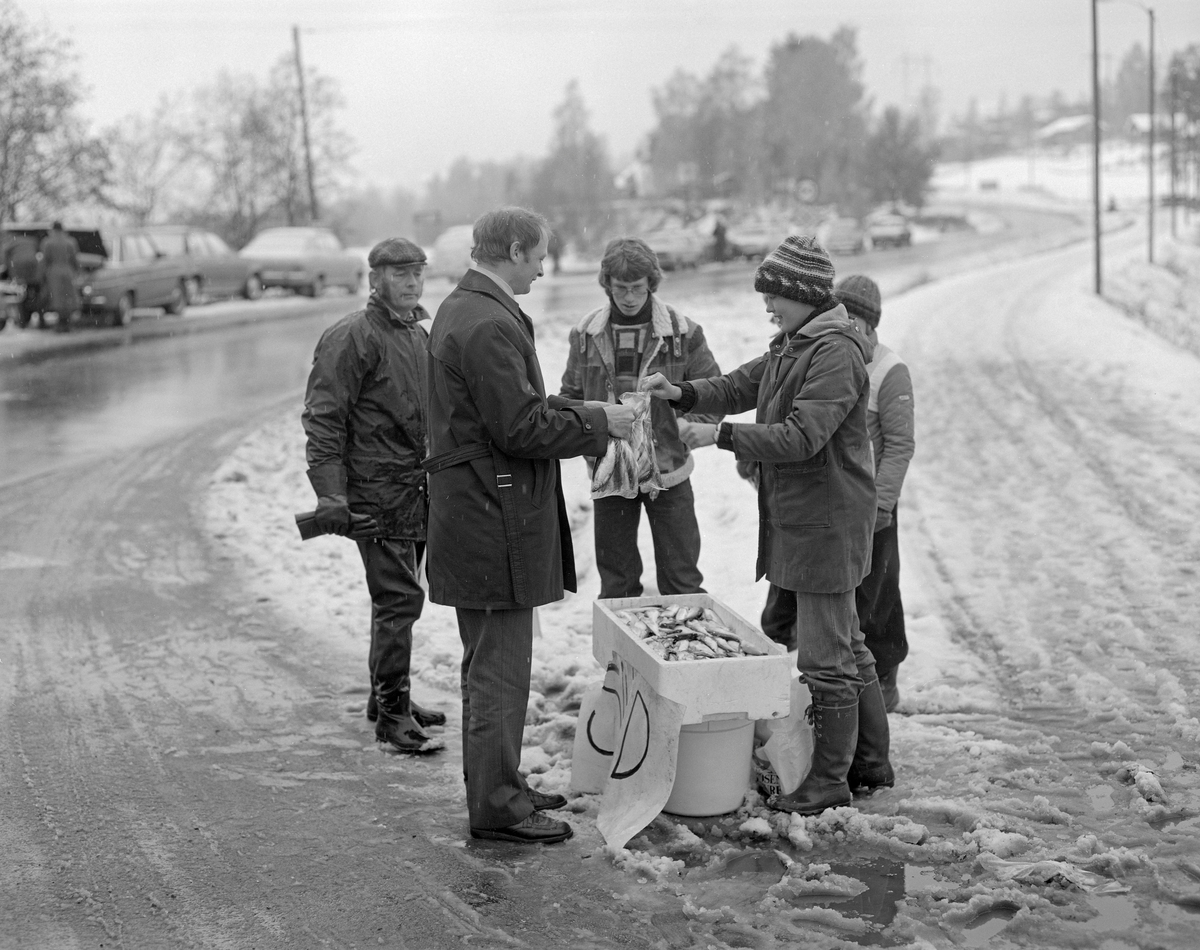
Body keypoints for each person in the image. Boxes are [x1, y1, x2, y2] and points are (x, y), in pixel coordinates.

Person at [641, 235, 892, 816]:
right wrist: (681, 393)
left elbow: (803, 436)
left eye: (773, 297)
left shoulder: (834, 352)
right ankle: (871, 763)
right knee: (848, 644)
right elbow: (736, 386)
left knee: (827, 657)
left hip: (826, 522)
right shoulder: (793, 344)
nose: (767, 309)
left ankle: (831, 780)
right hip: (807, 518)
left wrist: (722, 435)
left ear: (801, 295)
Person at [424, 206, 635, 845]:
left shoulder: (471, 309)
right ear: (513, 249)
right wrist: (600, 423)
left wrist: (582, 410)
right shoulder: (486, 321)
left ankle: (499, 785)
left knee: (489, 663)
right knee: (498, 669)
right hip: (491, 514)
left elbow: (514, 410)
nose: (544, 266)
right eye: (539, 254)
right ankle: (496, 807)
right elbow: (517, 428)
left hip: (480, 508)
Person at [301, 237, 447, 755]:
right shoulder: (351, 336)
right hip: (373, 495)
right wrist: (330, 495)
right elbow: (324, 418)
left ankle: (387, 699)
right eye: (399, 273)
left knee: (397, 599)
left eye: (417, 272)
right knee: (399, 600)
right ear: (374, 279)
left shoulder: (417, 333)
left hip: (414, 489)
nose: (411, 281)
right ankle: (391, 714)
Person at [559, 236, 722, 599]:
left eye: (637, 288)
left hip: (669, 471)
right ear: (607, 285)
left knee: (682, 580)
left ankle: (683, 653)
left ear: (652, 283)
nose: (629, 298)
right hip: (610, 470)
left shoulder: (683, 332)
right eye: (621, 289)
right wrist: (591, 440)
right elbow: (569, 398)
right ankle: (621, 656)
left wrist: (689, 427)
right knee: (616, 584)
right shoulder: (585, 334)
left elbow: (714, 395)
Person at [837, 275, 913, 716]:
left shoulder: (889, 370)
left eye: (852, 320)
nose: (844, 327)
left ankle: (884, 678)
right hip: (835, 498)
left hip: (874, 503)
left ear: (869, 324)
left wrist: (882, 503)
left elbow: (900, 444)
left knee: (879, 591)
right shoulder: (831, 357)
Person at [39, 222, 80, 334]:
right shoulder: (70, 241)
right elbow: (75, 259)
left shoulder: (47, 242)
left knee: (57, 298)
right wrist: (77, 271)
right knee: (68, 297)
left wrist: (42, 275)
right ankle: (68, 323)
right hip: (68, 271)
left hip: (54, 271)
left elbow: (45, 260)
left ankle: (60, 324)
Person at [3, 235, 42, 328]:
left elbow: (5, 255)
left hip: (18, 270)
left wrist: (7, 267)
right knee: (35, 293)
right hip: (32, 269)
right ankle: (41, 319)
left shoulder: (11, 243)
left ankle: (23, 321)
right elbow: (39, 254)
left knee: (21, 295)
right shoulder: (32, 240)